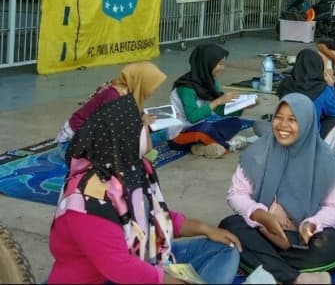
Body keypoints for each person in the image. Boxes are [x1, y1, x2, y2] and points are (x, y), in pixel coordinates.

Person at [48, 62, 241, 284]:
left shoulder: (133, 169)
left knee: (224, 249)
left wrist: (205, 228)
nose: (149, 133)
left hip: (141, 256)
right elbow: (121, 268)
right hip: (105, 278)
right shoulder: (86, 199)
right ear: (124, 138)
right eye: (143, 128)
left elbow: (157, 216)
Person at [220, 93, 335, 284]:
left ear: (307, 124)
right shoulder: (257, 153)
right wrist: (260, 214)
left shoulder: (325, 161)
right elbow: (236, 194)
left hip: (303, 242)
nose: (283, 125)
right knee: (230, 227)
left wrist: (311, 224)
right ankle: (296, 278)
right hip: (262, 232)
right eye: (278, 118)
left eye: (292, 120)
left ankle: (268, 268)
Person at [55, 61, 166, 153]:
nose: (153, 90)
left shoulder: (122, 89)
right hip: (70, 145)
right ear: (141, 82)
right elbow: (114, 132)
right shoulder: (116, 97)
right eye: (152, 86)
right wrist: (142, 123)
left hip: (82, 139)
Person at [169, 43, 251, 159]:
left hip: (200, 127)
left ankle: (200, 147)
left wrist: (243, 105)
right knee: (204, 129)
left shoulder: (210, 82)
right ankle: (227, 145)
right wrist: (217, 101)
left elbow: (220, 111)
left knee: (235, 122)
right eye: (220, 64)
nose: (223, 68)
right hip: (180, 135)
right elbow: (192, 117)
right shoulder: (186, 87)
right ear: (207, 64)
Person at [277, 49, 335, 140]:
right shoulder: (323, 89)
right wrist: (331, 86)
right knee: (333, 121)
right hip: (308, 138)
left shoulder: (285, 84)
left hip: (284, 132)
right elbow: (334, 112)